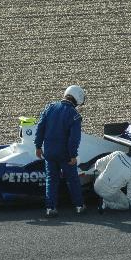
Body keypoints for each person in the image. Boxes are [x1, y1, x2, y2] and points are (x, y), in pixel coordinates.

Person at [35, 85, 86, 217]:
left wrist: (38, 146)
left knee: (51, 179)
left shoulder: (50, 107)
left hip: (49, 152)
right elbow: (74, 139)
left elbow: (40, 127)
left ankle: (50, 208)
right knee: (72, 179)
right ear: (77, 99)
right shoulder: (75, 115)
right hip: (65, 154)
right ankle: (79, 206)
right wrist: (73, 155)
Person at [93, 147, 131, 215]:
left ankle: (102, 197)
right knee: (125, 205)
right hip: (107, 193)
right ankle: (105, 203)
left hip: (97, 184)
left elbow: (98, 164)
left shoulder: (118, 153)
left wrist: (106, 174)